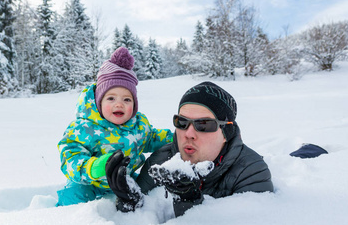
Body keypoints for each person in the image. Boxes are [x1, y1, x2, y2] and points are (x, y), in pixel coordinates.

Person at [105, 81, 274, 216]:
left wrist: (190, 202)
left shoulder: (251, 172)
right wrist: (129, 202)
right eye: (182, 122)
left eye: (204, 124)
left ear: (226, 133)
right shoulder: (161, 161)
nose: (189, 134)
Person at [56, 47, 173, 206]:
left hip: (125, 180)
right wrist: (93, 167)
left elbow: (152, 137)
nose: (119, 104)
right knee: (73, 194)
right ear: (99, 102)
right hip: (90, 184)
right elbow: (70, 155)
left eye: (127, 100)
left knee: (150, 192)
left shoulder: (138, 126)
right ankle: (65, 221)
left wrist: (175, 137)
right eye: (111, 98)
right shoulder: (84, 127)